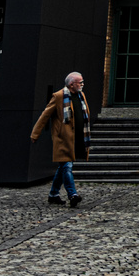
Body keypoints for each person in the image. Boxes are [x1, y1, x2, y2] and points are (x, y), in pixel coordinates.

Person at [31, 71, 90, 207]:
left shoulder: (81, 95)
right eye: (80, 82)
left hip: (77, 138)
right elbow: (45, 116)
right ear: (71, 84)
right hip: (63, 139)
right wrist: (35, 134)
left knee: (63, 167)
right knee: (67, 166)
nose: (82, 84)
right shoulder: (58, 97)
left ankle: (53, 194)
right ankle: (72, 194)